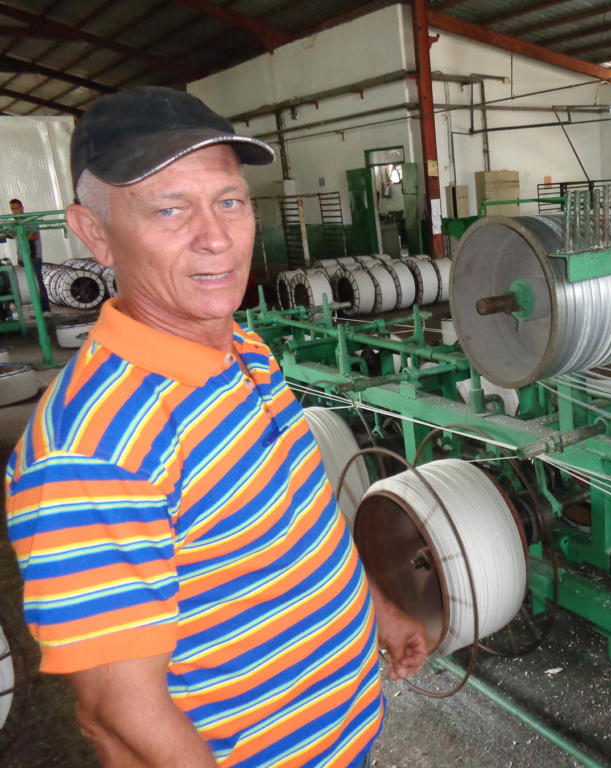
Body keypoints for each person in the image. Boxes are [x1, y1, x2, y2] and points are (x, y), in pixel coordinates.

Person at [5, 86, 426, 768]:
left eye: (228, 200)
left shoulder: (244, 351)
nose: (216, 236)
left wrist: (373, 606)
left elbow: (299, 520)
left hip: (349, 736)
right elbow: (118, 716)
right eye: (169, 209)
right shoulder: (88, 453)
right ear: (94, 233)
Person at [8, 197, 52, 315]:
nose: (15, 211)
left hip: (33, 256)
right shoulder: (14, 222)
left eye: (16, 208)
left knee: (38, 282)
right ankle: (33, 308)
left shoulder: (30, 220)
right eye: (12, 209)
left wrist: (18, 233)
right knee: (23, 283)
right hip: (22, 257)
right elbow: (10, 235)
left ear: (22, 208)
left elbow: (34, 237)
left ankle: (45, 309)